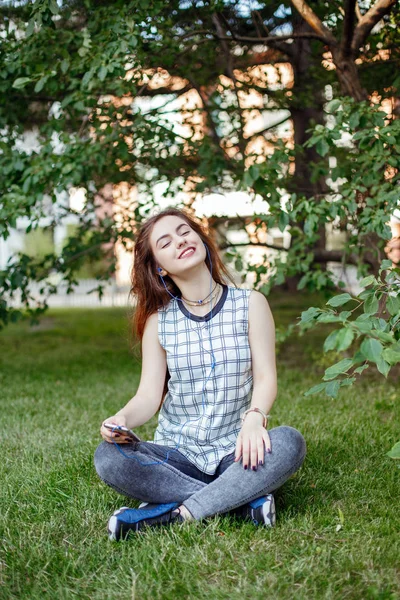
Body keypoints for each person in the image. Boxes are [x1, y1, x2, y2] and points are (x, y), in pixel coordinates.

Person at [94, 207, 306, 541]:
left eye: (184, 232)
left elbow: (266, 377)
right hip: (177, 454)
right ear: (160, 267)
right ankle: (238, 500)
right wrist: (120, 419)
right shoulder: (159, 323)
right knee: (109, 458)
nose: (180, 241)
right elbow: (148, 397)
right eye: (166, 242)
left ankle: (173, 514)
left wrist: (255, 418)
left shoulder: (250, 304)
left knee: (289, 442)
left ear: (200, 238)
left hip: (237, 450)